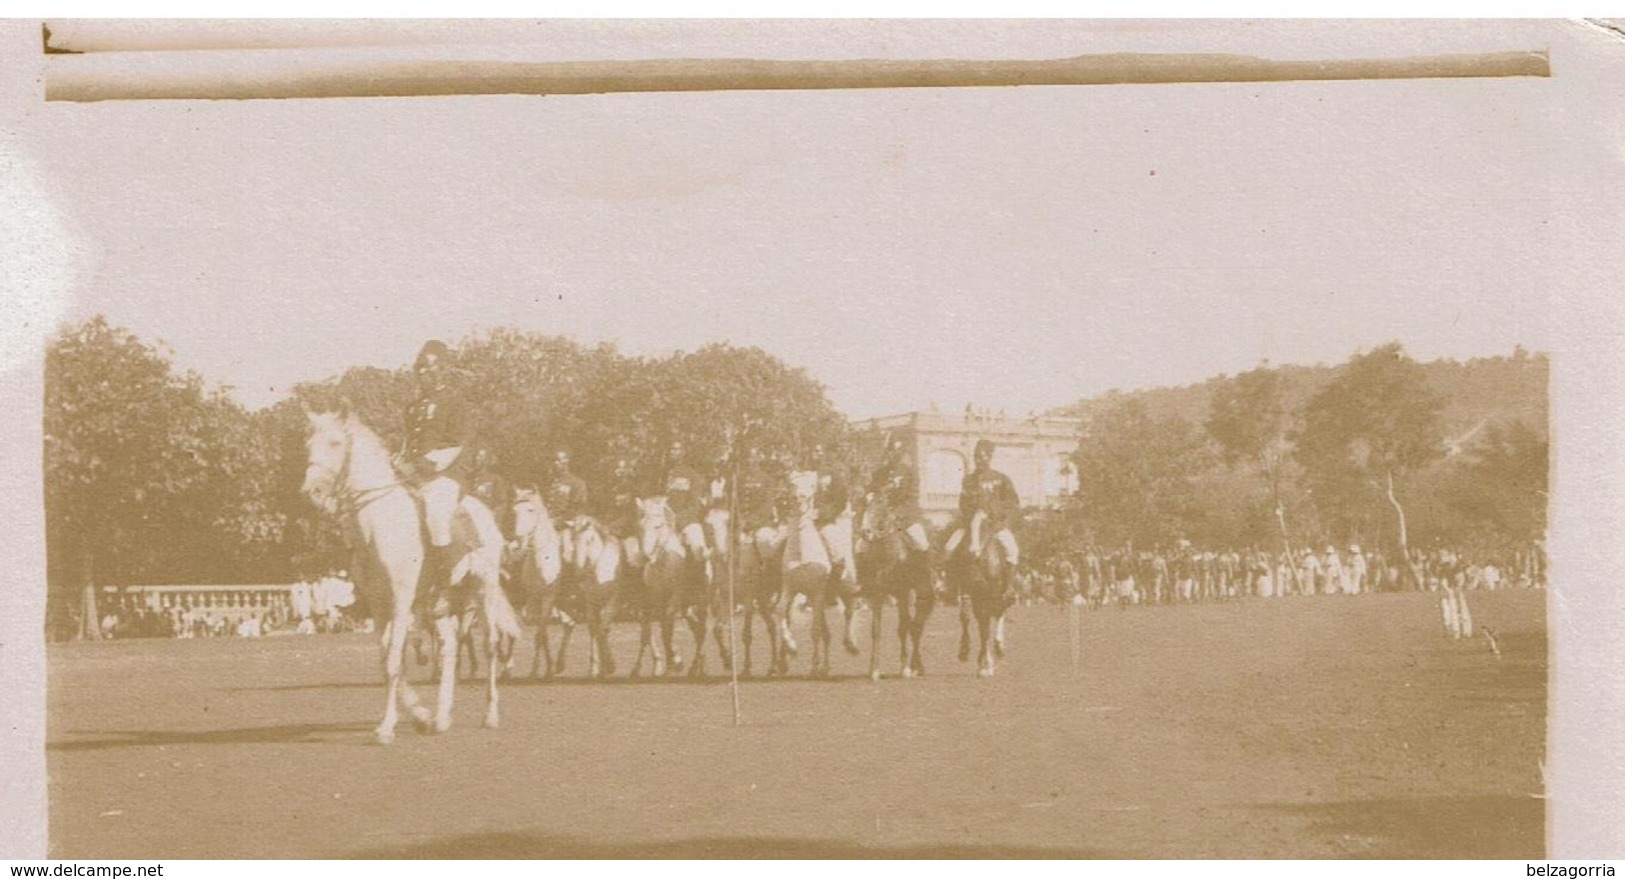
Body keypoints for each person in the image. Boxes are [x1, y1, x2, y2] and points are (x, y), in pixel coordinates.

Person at [399, 339, 474, 593]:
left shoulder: (455, 402)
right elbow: (407, 443)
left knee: (436, 516)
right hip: (412, 475)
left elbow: (455, 444)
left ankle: (444, 587)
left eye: (428, 368)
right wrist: (399, 461)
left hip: (444, 475)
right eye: (419, 368)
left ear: (441, 370)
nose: (421, 374)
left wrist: (420, 466)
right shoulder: (413, 407)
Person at [944, 439, 1021, 576]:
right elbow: (963, 503)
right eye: (976, 457)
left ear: (989, 457)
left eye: (982, 457)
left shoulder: (1001, 478)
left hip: (995, 525)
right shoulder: (968, 480)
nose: (978, 460)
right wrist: (973, 514)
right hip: (969, 525)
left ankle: (1009, 586)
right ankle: (950, 585)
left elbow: (1012, 501)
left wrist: (994, 513)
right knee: (949, 547)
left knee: (1013, 551)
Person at [866, 436, 931, 558]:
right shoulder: (880, 473)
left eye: (897, 451)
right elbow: (871, 493)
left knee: (922, 544)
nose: (893, 454)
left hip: (904, 520)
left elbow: (912, 499)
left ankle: (928, 573)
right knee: (861, 547)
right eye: (891, 450)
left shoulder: (910, 473)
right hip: (880, 519)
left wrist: (896, 514)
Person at [545, 448, 591, 566]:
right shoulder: (548, 482)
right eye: (554, 461)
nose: (555, 464)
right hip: (546, 523)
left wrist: (558, 521)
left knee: (568, 552)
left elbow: (578, 507)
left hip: (566, 524)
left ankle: (569, 580)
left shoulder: (577, 483)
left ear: (566, 461)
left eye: (558, 460)